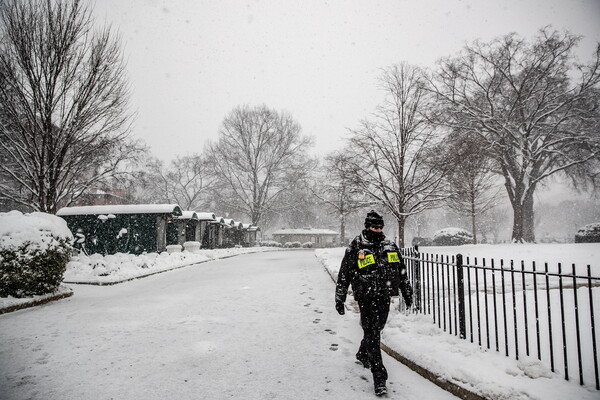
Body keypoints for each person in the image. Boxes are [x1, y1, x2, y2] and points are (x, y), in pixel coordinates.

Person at [335, 210, 413, 396]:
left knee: (377, 328)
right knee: (372, 332)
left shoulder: (390, 245)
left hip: (384, 295)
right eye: (374, 226)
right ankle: (379, 377)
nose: (377, 230)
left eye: (380, 227)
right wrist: (340, 297)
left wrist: (407, 291)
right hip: (366, 296)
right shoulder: (357, 246)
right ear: (367, 226)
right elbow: (344, 272)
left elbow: (401, 270)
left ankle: (363, 353)